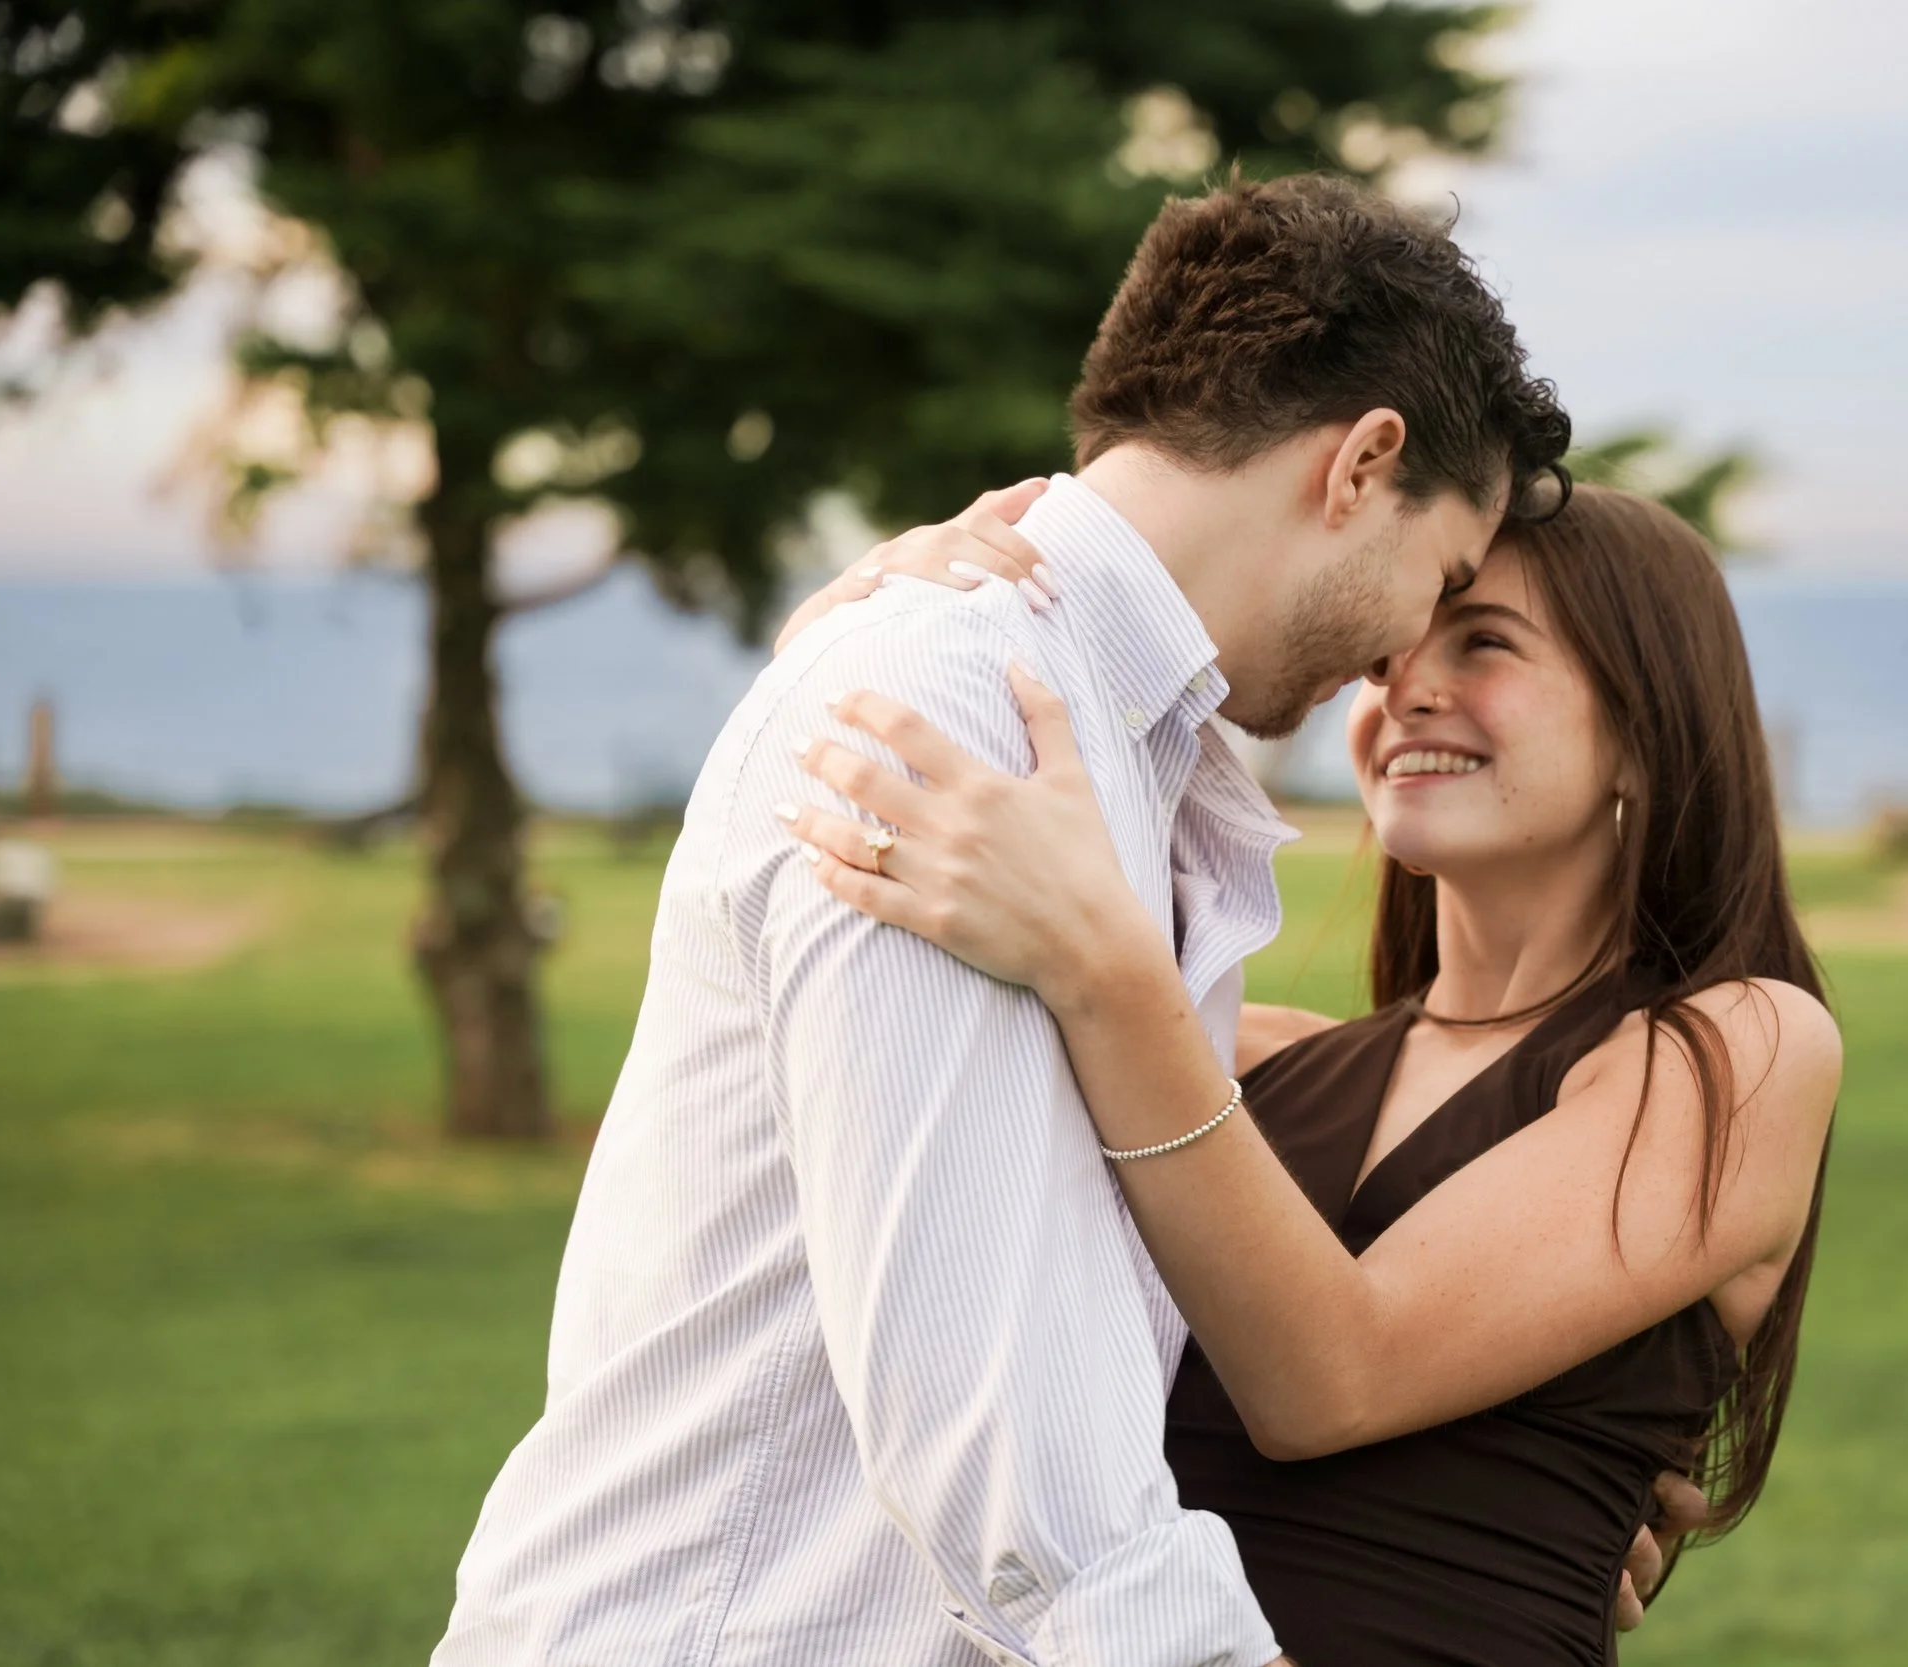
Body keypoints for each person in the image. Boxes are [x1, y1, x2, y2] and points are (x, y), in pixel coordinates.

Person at [430, 172, 1573, 1667]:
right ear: (1362, 463)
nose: (1402, 654)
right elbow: (1003, 1428)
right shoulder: (960, 710)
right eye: (1444, 576)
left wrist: (1525, 1484)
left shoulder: (1095, 742)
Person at [774, 483, 1842, 1664]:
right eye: (1390, 655)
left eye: (1485, 643)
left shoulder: (1740, 1048)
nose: (1405, 688)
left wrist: (1103, 963)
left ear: (1646, 727)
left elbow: (1332, 1379)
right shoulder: (1235, 1061)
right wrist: (870, 620)